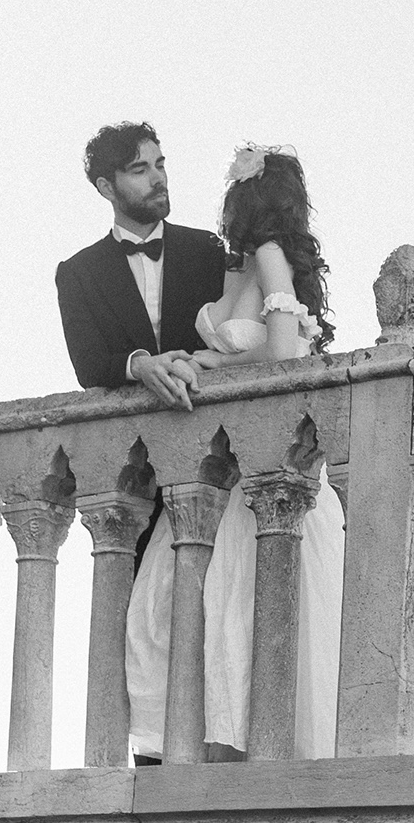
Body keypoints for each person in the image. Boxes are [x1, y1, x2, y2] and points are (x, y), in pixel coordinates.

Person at [123, 143, 344, 760]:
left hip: (260, 474)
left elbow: (284, 353)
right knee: (172, 619)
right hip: (217, 473)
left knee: (238, 620)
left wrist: (213, 360)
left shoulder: (271, 256)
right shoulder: (239, 266)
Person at [55, 123, 229, 411]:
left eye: (160, 165)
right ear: (107, 187)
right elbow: (88, 366)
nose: (158, 179)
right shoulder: (78, 272)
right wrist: (140, 365)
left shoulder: (209, 248)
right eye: (140, 170)